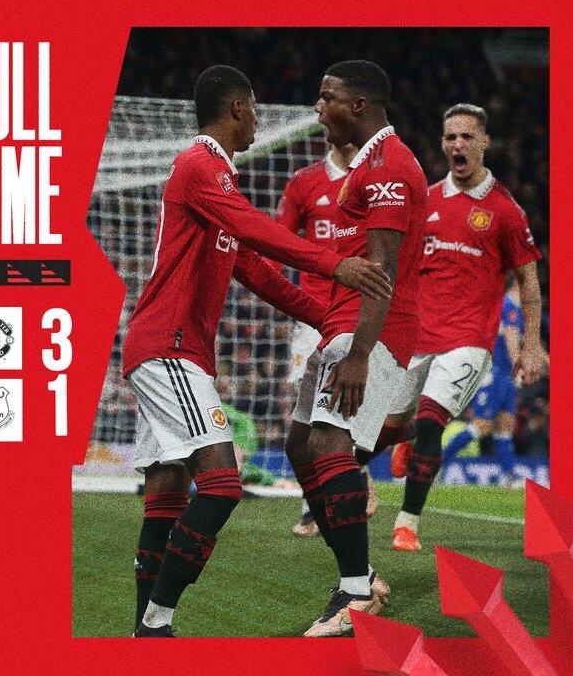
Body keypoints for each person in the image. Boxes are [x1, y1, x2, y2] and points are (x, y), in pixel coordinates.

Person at [121, 64, 393, 637]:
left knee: (167, 488)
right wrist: (335, 265)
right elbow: (258, 231)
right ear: (239, 110)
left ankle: (145, 636)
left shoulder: (215, 182)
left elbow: (257, 271)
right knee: (221, 483)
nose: (257, 123)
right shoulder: (200, 165)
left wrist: (325, 317)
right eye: (254, 111)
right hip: (169, 347)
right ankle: (156, 623)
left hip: (170, 348)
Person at [284, 60, 428, 637]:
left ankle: (355, 591)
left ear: (360, 105)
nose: (319, 108)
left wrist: (361, 354)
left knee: (326, 441)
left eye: (328, 97)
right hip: (338, 326)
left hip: (373, 331)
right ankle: (361, 575)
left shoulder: (389, 167)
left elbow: (383, 269)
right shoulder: (367, 164)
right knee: (300, 445)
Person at [387, 103, 546, 553]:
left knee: (433, 421)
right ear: (443, 144)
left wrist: (531, 345)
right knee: (391, 425)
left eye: (467, 137)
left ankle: (407, 524)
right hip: (418, 336)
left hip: (469, 339)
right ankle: (403, 437)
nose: (458, 144)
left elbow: (528, 282)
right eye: (450, 137)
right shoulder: (426, 201)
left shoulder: (505, 210)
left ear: (484, 143)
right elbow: (403, 268)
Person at [271, 144, 381, 537]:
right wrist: (268, 281)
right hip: (311, 312)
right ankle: (317, 501)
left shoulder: (377, 180)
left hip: (355, 310)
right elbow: (278, 239)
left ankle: (348, 476)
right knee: (303, 407)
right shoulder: (304, 182)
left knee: (338, 405)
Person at [442, 279, 527, 486]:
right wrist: (519, 367)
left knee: (505, 425)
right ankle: (434, 464)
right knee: (482, 426)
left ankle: (509, 476)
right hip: (495, 373)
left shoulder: (513, 307)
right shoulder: (509, 305)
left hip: (505, 376)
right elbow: (510, 340)